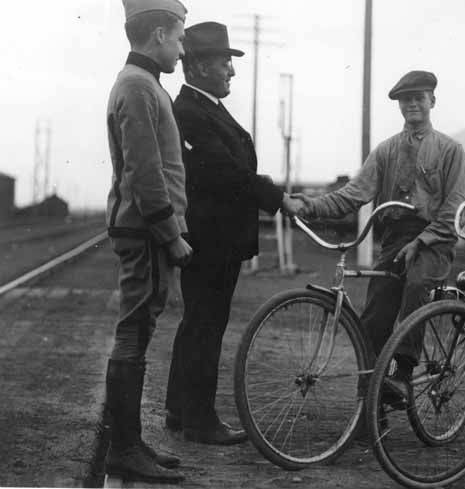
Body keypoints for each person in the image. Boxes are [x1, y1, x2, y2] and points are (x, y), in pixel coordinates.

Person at [163, 21, 303, 445]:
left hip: (214, 238)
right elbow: (227, 172)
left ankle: (179, 408)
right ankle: (200, 420)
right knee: (206, 324)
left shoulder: (203, 107)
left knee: (199, 321)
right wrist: (279, 198)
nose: (232, 72)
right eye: (226, 62)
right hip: (209, 239)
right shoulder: (190, 111)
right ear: (200, 66)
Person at [293, 70, 465, 399]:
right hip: (394, 240)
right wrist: (310, 207)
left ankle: (402, 373)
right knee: (374, 316)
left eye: (419, 98)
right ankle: (368, 407)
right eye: (406, 100)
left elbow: (456, 209)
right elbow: (353, 193)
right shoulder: (386, 151)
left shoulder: (450, 150)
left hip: (434, 240)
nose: (412, 104)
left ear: (432, 101)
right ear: (399, 106)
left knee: (416, 284)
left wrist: (423, 240)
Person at [104, 0, 191, 483]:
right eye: (178, 38)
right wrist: (170, 233)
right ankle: (122, 448)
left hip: (143, 225)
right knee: (134, 331)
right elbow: (144, 170)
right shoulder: (138, 86)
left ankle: (131, 443)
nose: (181, 49)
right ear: (158, 34)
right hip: (145, 227)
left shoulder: (143, 84)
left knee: (140, 328)